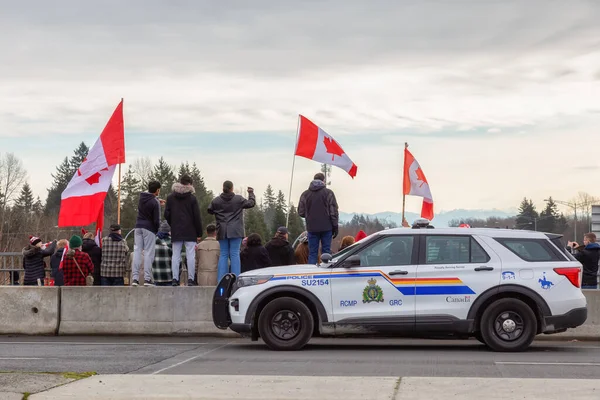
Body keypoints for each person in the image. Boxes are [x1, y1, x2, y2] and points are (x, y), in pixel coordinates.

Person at [209, 181, 256, 280]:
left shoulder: (216, 201)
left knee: (223, 254)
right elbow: (251, 203)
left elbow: (210, 210)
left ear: (223, 188)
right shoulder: (238, 199)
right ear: (232, 188)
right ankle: (235, 279)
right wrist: (251, 193)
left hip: (222, 230)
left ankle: (221, 280)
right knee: (234, 253)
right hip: (236, 230)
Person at [165, 175, 203, 287]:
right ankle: (191, 279)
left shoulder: (171, 197)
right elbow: (197, 216)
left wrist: (173, 223)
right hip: (190, 230)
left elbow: (166, 214)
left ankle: (175, 278)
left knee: (175, 255)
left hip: (176, 230)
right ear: (190, 184)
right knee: (190, 255)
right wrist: (199, 232)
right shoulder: (192, 198)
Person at [298, 173, 339, 264]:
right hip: (327, 227)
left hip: (312, 228)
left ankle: (311, 273)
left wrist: (310, 216)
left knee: (312, 253)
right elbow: (333, 212)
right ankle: (326, 271)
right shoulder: (328, 193)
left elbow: (301, 212)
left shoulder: (305, 194)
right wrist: (335, 226)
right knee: (326, 252)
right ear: (323, 181)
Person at [132, 180, 162, 287]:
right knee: (149, 253)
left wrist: (157, 200)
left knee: (137, 252)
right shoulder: (155, 202)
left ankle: (134, 278)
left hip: (138, 227)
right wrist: (157, 230)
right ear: (157, 190)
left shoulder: (141, 198)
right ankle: (147, 279)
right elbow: (156, 220)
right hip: (149, 229)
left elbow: (149, 200)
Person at [153, 221, 173, 286]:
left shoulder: (152, 242)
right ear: (169, 231)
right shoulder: (172, 242)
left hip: (155, 277)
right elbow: (179, 262)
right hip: (169, 278)